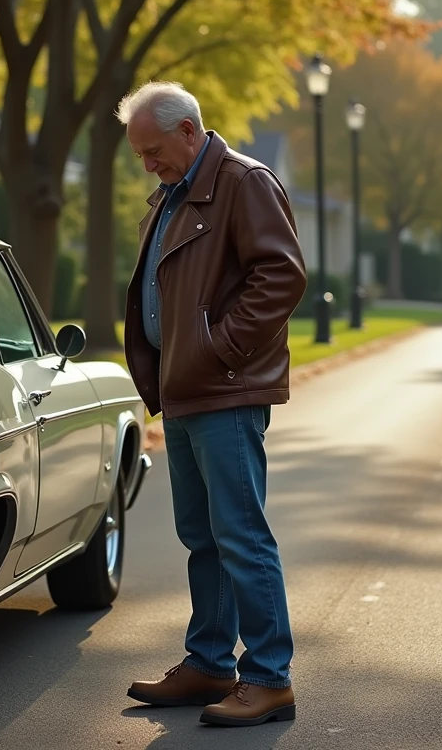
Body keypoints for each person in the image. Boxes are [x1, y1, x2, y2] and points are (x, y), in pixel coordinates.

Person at [117, 81, 308, 727]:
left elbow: (281, 274)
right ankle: (209, 663)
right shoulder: (173, 193)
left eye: (153, 149)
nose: (147, 163)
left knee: (240, 533)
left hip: (223, 389)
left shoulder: (244, 181)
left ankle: (269, 677)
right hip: (187, 390)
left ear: (190, 131)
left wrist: (218, 351)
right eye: (140, 154)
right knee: (202, 536)